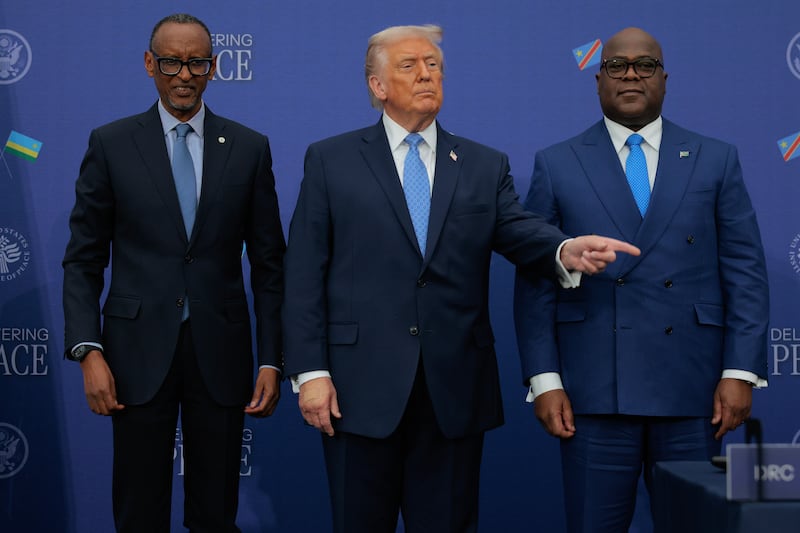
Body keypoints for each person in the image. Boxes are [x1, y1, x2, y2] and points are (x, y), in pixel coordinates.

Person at [282, 24, 639, 533]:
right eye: (410, 66)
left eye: (434, 65)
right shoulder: (330, 159)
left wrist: (563, 247)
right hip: (357, 392)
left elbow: (517, 230)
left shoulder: (481, 163)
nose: (427, 73)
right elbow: (303, 273)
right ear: (377, 86)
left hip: (453, 390)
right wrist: (311, 373)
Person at [513, 27, 769, 532]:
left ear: (665, 79)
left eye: (645, 64)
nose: (631, 74)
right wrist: (544, 380)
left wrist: (740, 373)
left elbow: (745, 271)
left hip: (694, 393)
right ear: (598, 79)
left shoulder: (715, 159)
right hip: (593, 392)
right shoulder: (557, 162)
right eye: (616, 65)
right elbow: (535, 281)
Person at [62, 13, 285, 533]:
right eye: (171, 62)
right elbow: (83, 258)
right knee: (139, 513)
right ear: (149, 64)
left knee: (215, 514)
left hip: (222, 355)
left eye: (197, 63)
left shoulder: (249, 148)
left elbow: (271, 267)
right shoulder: (111, 143)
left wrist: (273, 359)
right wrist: (86, 349)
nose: (183, 75)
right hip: (134, 356)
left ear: (213, 67)